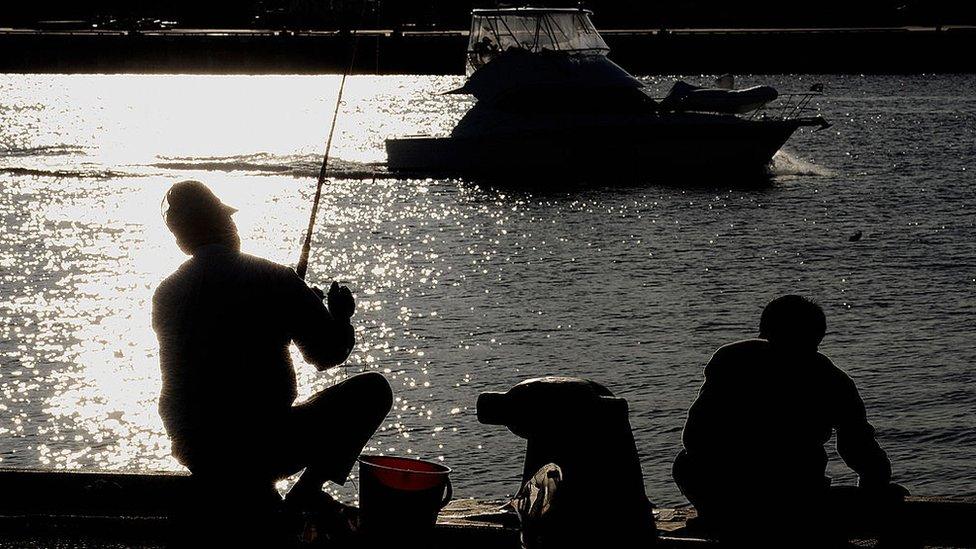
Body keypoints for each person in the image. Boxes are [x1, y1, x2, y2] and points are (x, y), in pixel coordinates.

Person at [151, 180, 392, 529]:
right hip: (263, 444)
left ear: (182, 236)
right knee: (373, 391)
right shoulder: (275, 278)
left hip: (196, 449)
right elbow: (327, 353)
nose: (235, 226)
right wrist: (340, 316)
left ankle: (264, 497)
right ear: (223, 224)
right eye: (229, 219)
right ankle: (303, 496)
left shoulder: (166, 293)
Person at [673, 295, 910, 545]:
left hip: (745, 488)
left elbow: (695, 436)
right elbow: (860, 448)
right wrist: (877, 487)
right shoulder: (832, 380)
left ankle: (725, 521)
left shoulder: (731, 360)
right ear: (818, 336)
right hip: (792, 490)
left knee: (687, 463)